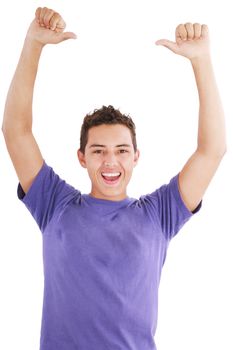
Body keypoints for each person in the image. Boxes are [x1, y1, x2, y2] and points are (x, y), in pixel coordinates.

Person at [1, 6, 227, 350]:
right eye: (98, 150)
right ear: (82, 157)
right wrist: (33, 44)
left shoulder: (159, 213)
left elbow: (212, 150)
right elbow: (15, 131)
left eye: (122, 150)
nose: (111, 160)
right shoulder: (54, 203)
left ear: (136, 157)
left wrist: (201, 61)